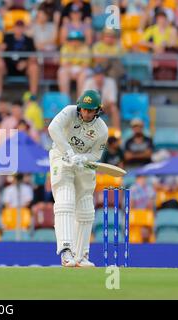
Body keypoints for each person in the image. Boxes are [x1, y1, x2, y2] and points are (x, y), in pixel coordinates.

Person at [48, 89, 108, 267]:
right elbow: (53, 128)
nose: (86, 113)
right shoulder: (69, 111)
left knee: (86, 208)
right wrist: (68, 152)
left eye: (90, 110)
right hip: (61, 157)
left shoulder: (102, 129)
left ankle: (81, 255)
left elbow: (96, 154)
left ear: (98, 110)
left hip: (83, 164)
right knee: (65, 199)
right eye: (84, 109)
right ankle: (66, 252)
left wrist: (83, 158)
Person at [0, 20, 39, 100]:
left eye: (21, 28)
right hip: (9, 66)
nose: (19, 30)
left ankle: (33, 96)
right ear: (14, 28)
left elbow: (34, 56)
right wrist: (0, 51)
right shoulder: (7, 38)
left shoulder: (29, 40)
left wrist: (26, 63)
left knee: (34, 68)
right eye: (17, 28)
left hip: (24, 68)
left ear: (24, 29)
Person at [82, 65, 120, 129]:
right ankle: (85, 131)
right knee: (85, 109)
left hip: (105, 108)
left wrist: (99, 106)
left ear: (104, 75)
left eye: (101, 74)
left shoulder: (110, 82)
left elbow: (112, 101)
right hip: (92, 108)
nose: (99, 77)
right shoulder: (88, 82)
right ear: (94, 76)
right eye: (97, 75)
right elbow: (84, 99)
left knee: (114, 109)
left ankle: (117, 132)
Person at [58, 30, 91, 97]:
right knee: (62, 73)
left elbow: (86, 64)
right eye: (72, 39)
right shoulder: (65, 47)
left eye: (77, 39)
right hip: (69, 69)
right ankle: (65, 99)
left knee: (83, 75)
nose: (74, 42)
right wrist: (72, 72)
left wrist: (78, 72)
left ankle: (80, 100)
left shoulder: (85, 48)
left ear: (81, 40)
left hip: (82, 69)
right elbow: (64, 64)